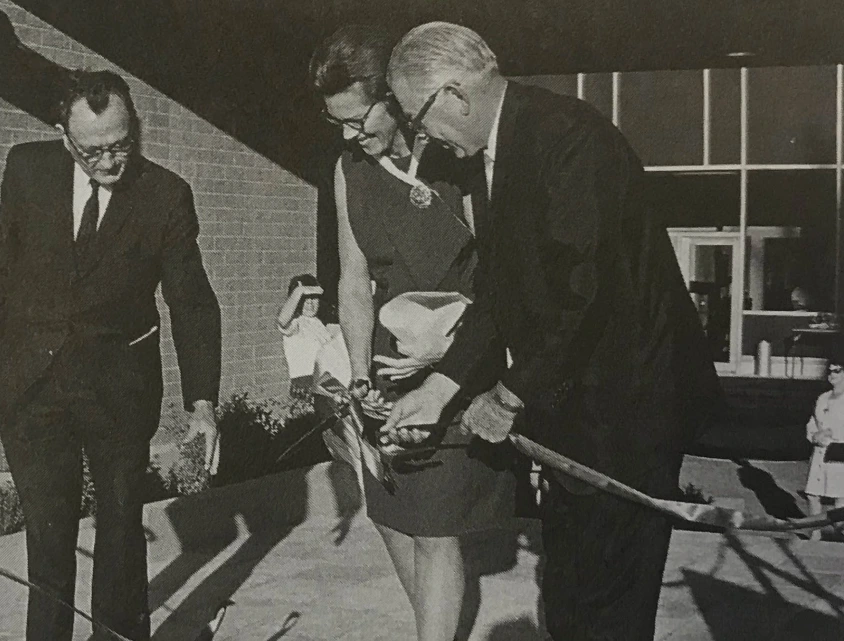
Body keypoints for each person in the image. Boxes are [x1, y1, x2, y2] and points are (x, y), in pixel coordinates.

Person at [384, 22, 721, 641]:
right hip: (580, 406)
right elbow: (501, 293)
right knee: (569, 595)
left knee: (607, 604)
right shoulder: (499, 149)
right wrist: (441, 388)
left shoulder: (566, 139)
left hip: (629, 409)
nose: (418, 136)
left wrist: (509, 396)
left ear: (454, 95)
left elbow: (580, 293)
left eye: (415, 117)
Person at [0, 69, 222, 641]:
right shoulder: (26, 168)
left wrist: (203, 404)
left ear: (133, 126)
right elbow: (4, 262)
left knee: (119, 529)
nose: (110, 160)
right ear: (64, 137)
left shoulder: (165, 195)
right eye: (94, 151)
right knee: (47, 536)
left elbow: (191, 303)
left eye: (121, 144)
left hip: (119, 386)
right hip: (34, 383)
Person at [310, 25, 515, 641]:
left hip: (459, 360)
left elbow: (501, 274)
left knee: (434, 530)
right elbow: (352, 280)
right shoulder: (348, 169)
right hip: (386, 367)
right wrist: (358, 371)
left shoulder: (459, 158)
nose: (350, 135)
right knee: (393, 518)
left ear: (394, 98)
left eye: (356, 118)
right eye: (336, 124)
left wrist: (453, 351)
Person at [805, 359, 844, 540]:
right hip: (820, 452)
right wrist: (814, 435)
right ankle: (815, 532)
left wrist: (832, 433)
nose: (832, 374)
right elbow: (812, 422)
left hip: (839, 452)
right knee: (812, 494)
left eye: (837, 370)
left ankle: (840, 533)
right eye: (829, 371)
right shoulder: (823, 398)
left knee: (839, 497)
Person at [277, 273, 331, 399]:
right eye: (305, 299)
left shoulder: (319, 323)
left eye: (314, 298)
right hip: (305, 385)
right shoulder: (296, 323)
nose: (310, 304)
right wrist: (299, 290)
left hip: (325, 381)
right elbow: (282, 321)